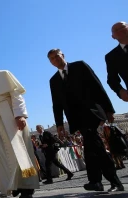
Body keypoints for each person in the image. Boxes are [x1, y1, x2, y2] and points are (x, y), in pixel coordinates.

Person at [47, 48, 124, 192]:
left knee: (92, 143)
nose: (55, 60)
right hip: (76, 118)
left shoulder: (80, 66)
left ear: (63, 55)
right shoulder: (54, 81)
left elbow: (97, 86)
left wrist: (109, 109)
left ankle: (101, 181)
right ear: (50, 62)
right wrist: (59, 124)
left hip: (92, 112)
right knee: (93, 147)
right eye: (52, 59)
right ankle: (105, 182)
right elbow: (56, 104)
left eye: (57, 56)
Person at [0, 55, 39, 198]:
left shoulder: (4, 74)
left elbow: (17, 96)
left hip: (10, 117)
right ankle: (13, 185)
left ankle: (27, 187)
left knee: (20, 150)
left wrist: (20, 115)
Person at [105, 21, 128, 101]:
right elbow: (112, 79)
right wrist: (120, 91)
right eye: (116, 30)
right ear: (113, 36)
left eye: (122, 27)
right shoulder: (111, 57)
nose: (119, 30)